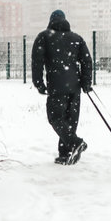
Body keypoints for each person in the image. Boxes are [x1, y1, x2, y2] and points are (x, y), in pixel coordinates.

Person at [31, 10, 93, 165]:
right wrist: (86, 83)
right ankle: (66, 154)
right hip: (74, 86)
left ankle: (75, 143)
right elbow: (87, 61)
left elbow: (36, 62)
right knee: (69, 121)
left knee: (56, 118)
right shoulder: (76, 39)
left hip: (56, 85)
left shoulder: (44, 37)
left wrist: (38, 83)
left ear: (51, 21)